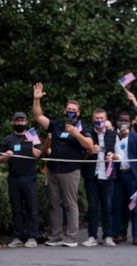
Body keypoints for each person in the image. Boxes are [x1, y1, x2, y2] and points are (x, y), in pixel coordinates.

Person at [32, 83, 94, 247]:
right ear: (64, 110)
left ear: (78, 113)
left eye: (74, 109)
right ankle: (56, 235)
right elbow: (39, 117)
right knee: (53, 203)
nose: (71, 111)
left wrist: (76, 133)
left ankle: (71, 237)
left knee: (70, 204)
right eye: (69, 109)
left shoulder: (82, 127)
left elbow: (90, 146)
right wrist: (36, 99)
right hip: (53, 170)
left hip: (70, 171)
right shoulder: (57, 125)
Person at [0, 112, 41, 248]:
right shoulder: (8, 139)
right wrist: (7, 155)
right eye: (18, 121)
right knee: (16, 208)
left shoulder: (32, 136)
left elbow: (39, 154)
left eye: (22, 120)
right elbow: (0, 159)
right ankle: (18, 236)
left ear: (26, 122)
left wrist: (31, 147)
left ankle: (32, 236)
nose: (20, 123)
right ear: (13, 122)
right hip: (14, 178)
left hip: (29, 177)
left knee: (31, 208)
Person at [82, 109, 117, 247]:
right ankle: (92, 236)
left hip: (108, 176)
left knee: (107, 207)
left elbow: (120, 154)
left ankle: (108, 236)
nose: (99, 121)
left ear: (105, 119)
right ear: (92, 119)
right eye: (97, 118)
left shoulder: (113, 135)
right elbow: (81, 155)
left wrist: (113, 156)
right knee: (92, 207)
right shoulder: (87, 134)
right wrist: (89, 151)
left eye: (102, 118)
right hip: (91, 175)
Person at [113, 117, 137, 245]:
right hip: (117, 175)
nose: (123, 122)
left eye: (126, 120)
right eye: (121, 120)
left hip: (132, 175)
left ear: (130, 122)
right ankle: (120, 234)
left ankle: (136, 235)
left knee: (134, 206)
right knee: (119, 206)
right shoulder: (113, 136)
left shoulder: (136, 137)